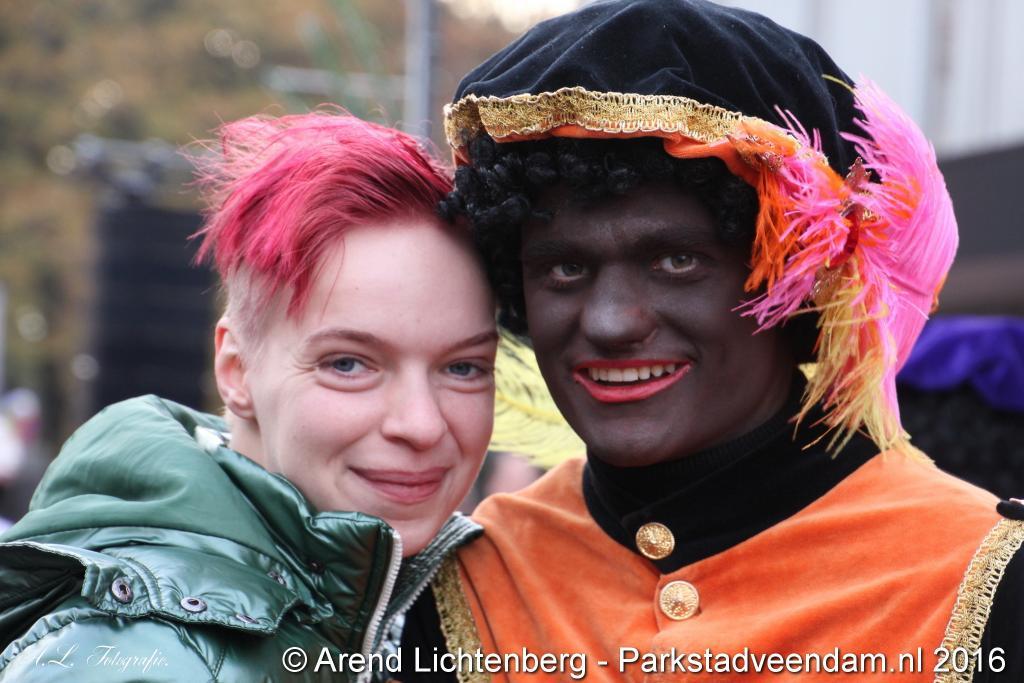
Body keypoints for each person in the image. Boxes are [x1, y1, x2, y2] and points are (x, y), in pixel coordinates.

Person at [401, 1, 1024, 680]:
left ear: (800, 279)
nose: (610, 322)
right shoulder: (466, 579)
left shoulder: (983, 575)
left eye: (676, 261)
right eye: (565, 268)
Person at [0, 112, 498, 681]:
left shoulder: (444, 610)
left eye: (463, 367)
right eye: (348, 364)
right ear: (236, 372)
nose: (422, 424)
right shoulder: (134, 662)